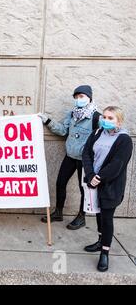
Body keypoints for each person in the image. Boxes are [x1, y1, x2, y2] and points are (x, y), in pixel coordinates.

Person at [39, 85, 100, 229]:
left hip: (85, 160)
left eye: (82, 97)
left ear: (89, 98)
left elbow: (99, 140)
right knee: (60, 182)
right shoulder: (72, 114)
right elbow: (62, 130)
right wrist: (47, 120)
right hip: (71, 155)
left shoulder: (96, 117)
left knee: (83, 188)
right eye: (77, 97)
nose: (79, 99)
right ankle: (58, 212)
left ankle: (81, 216)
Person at [82, 106, 132, 272]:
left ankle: (105, 252)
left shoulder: (124, 140)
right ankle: (100, 240)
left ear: (119, 121)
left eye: (111, 118)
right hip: (93, 181)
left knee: (107, 218)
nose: (106, 120)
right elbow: (86, 154)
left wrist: (99, 178)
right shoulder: (97, 133)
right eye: (104, 117)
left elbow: (117, 164)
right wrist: (90, 175)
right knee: (98, 213)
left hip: (110, 186)